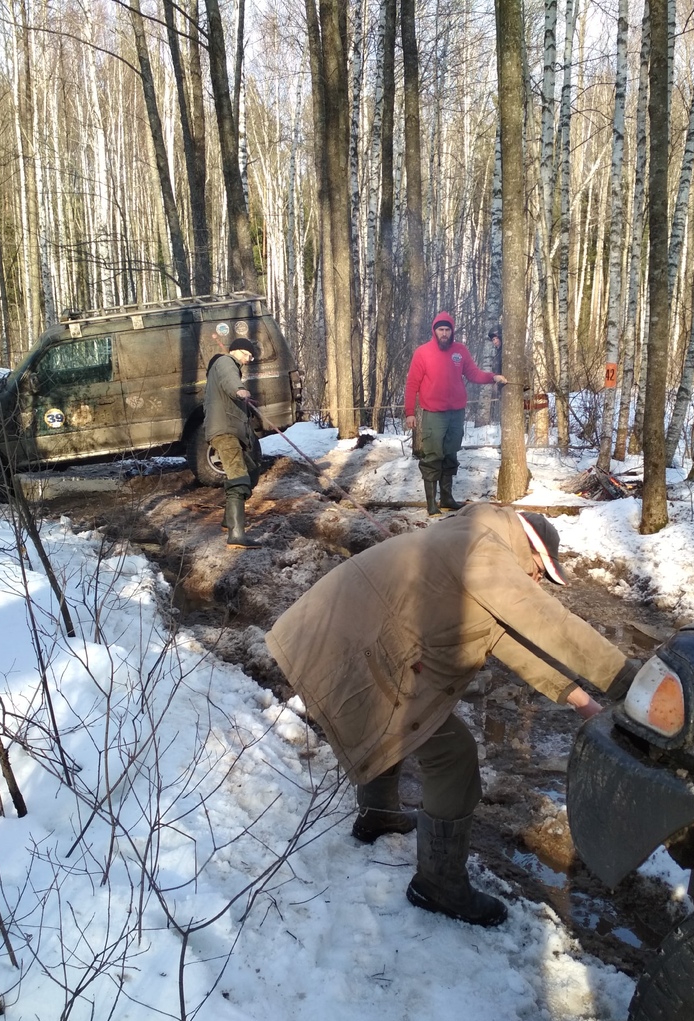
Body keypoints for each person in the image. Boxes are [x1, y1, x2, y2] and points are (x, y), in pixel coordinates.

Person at [265, 503, 638, 929]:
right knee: (452, 753)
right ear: (530, 548)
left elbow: (504, 638)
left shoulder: (472, 538)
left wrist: (582, 701)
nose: (537, 583)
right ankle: (438, 885)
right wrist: (632, 684)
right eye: (539, 573)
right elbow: (552, 624)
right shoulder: (484, 549)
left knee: (399, 720)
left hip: (342, 637)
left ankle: (377, 814)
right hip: (347, 648)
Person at [405, 313, 508, 516]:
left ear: (452, 331)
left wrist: (493, 377)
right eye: (440, 330)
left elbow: (473, 374)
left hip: (456, 413)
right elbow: (412, 384)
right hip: (434, 414)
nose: (444, 333)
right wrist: (410, 413)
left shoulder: (460, 351)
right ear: (434, 331)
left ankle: (446, 498)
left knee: (450, 455)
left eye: (447, 330)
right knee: (433, 456)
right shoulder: (422, 352)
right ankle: (431, 503)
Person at [204, 337, 261, 547]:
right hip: (225, 431)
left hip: (231, 431)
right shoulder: (225, 362)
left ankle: (229, 520)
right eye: (247, 355)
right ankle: (236, 535)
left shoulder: (229, 365)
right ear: (237, 351)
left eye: (250, 357)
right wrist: (240, 390)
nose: (248, 360)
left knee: (251, 472)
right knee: (238, 478)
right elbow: (230, 381)